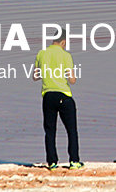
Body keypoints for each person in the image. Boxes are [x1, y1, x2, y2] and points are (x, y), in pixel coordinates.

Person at [31, 30, 82, 170]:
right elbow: (72, 80)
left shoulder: (41, 53)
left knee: (50, 130)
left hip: (48, 96)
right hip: (63, 95)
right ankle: (74, 161)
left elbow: (35, 76)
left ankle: (52, 163)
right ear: (63, 42)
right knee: (71, 130)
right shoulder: (66, 55)